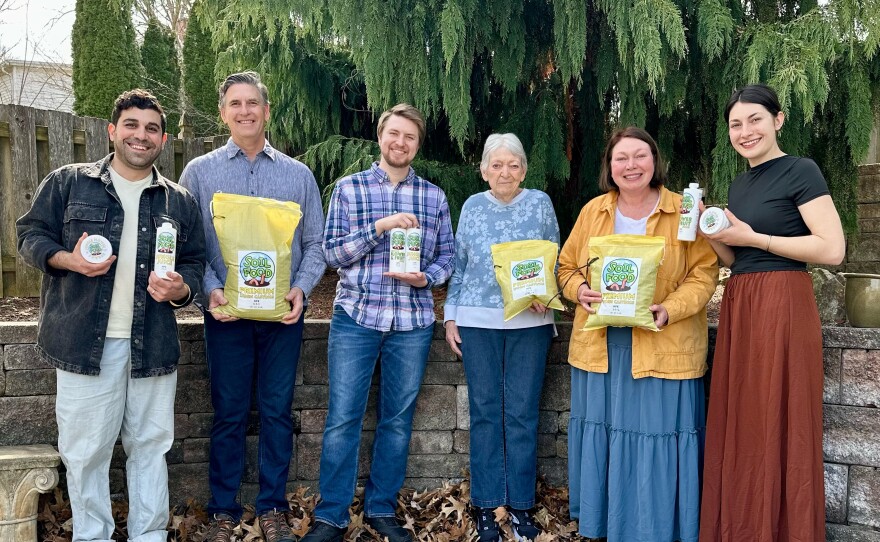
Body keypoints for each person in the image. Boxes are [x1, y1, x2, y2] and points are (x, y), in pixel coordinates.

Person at [16, 89, 205, 542]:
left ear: (162, 139)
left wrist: (182, 289)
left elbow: (195, 263)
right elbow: (29, 235)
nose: (142, 136)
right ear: (112, 131)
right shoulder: (68, 182)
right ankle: (92, 536)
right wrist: (69, 260)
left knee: (149, 449)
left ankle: (149, 536)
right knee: (85, 453)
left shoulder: (177, 201)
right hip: (83, 343)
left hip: (152, 344)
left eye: (152, 129)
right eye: (132, 126)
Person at [179, 71, 326, 542]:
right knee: (229, 412)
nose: (245, 111)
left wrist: (301, 289)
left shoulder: (298, 175)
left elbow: (316, 244)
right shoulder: (199, 173)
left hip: (282, 316)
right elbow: (188, 245)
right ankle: (223, 509)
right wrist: (208, 292)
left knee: (277, 411)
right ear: (223, 112)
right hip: (226, 314)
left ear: (266, 110)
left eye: (253, 103)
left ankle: (273, 506)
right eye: (235, 104)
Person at [300, 104, 455, 542]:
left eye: (410, 137)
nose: (400, 143)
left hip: (412, 321)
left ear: (417, 145)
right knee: (343, 418)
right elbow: (332, 254)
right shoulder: (350, 190)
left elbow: (448, 256)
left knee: (397, 421)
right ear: (380, 136)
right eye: (394, 134)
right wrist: (380, 227)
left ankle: (381, 509)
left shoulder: (433, 197)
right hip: (357, 318)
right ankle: (331, 515)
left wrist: (428, 276)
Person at [699, 84, 845, 541]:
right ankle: (742, 527)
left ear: (778, 120)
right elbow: (734, 259)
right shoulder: (740, 184)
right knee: (743, 414)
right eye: (736, 124)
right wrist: (711, 229)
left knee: (780, 414)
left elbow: (832, 249)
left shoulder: (801, 170)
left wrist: (755, 239)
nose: (745, 131)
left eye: (755, 119)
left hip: (782, 301)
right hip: (742, 301)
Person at [557, 127, 718, 542]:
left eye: (640, 156)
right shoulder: (593, 211)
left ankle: (657, 528)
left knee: (656, 437)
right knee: (607, 435)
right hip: (602, 347)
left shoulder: (684, 210)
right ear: (609, 167)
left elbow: (704, 273)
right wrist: (580, 291)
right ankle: (605, 524)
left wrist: (670, 309)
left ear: (655, 161)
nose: (631, 165)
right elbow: (566, 268)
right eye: (621, 158)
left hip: (665, 346)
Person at [442, 133, 558, 542]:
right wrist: (450, 317)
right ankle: (488, 504)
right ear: (484, 170)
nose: (505, 172)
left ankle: (523, 504)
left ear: (524, 170)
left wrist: (546, 293)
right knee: (486, 410)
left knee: (523, 413)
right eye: (497, 165)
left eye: (513, 165)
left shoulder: (540, 203)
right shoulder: (473, 206)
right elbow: (459, 262)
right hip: (477, 320)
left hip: (529, 322)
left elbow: (554, 255)